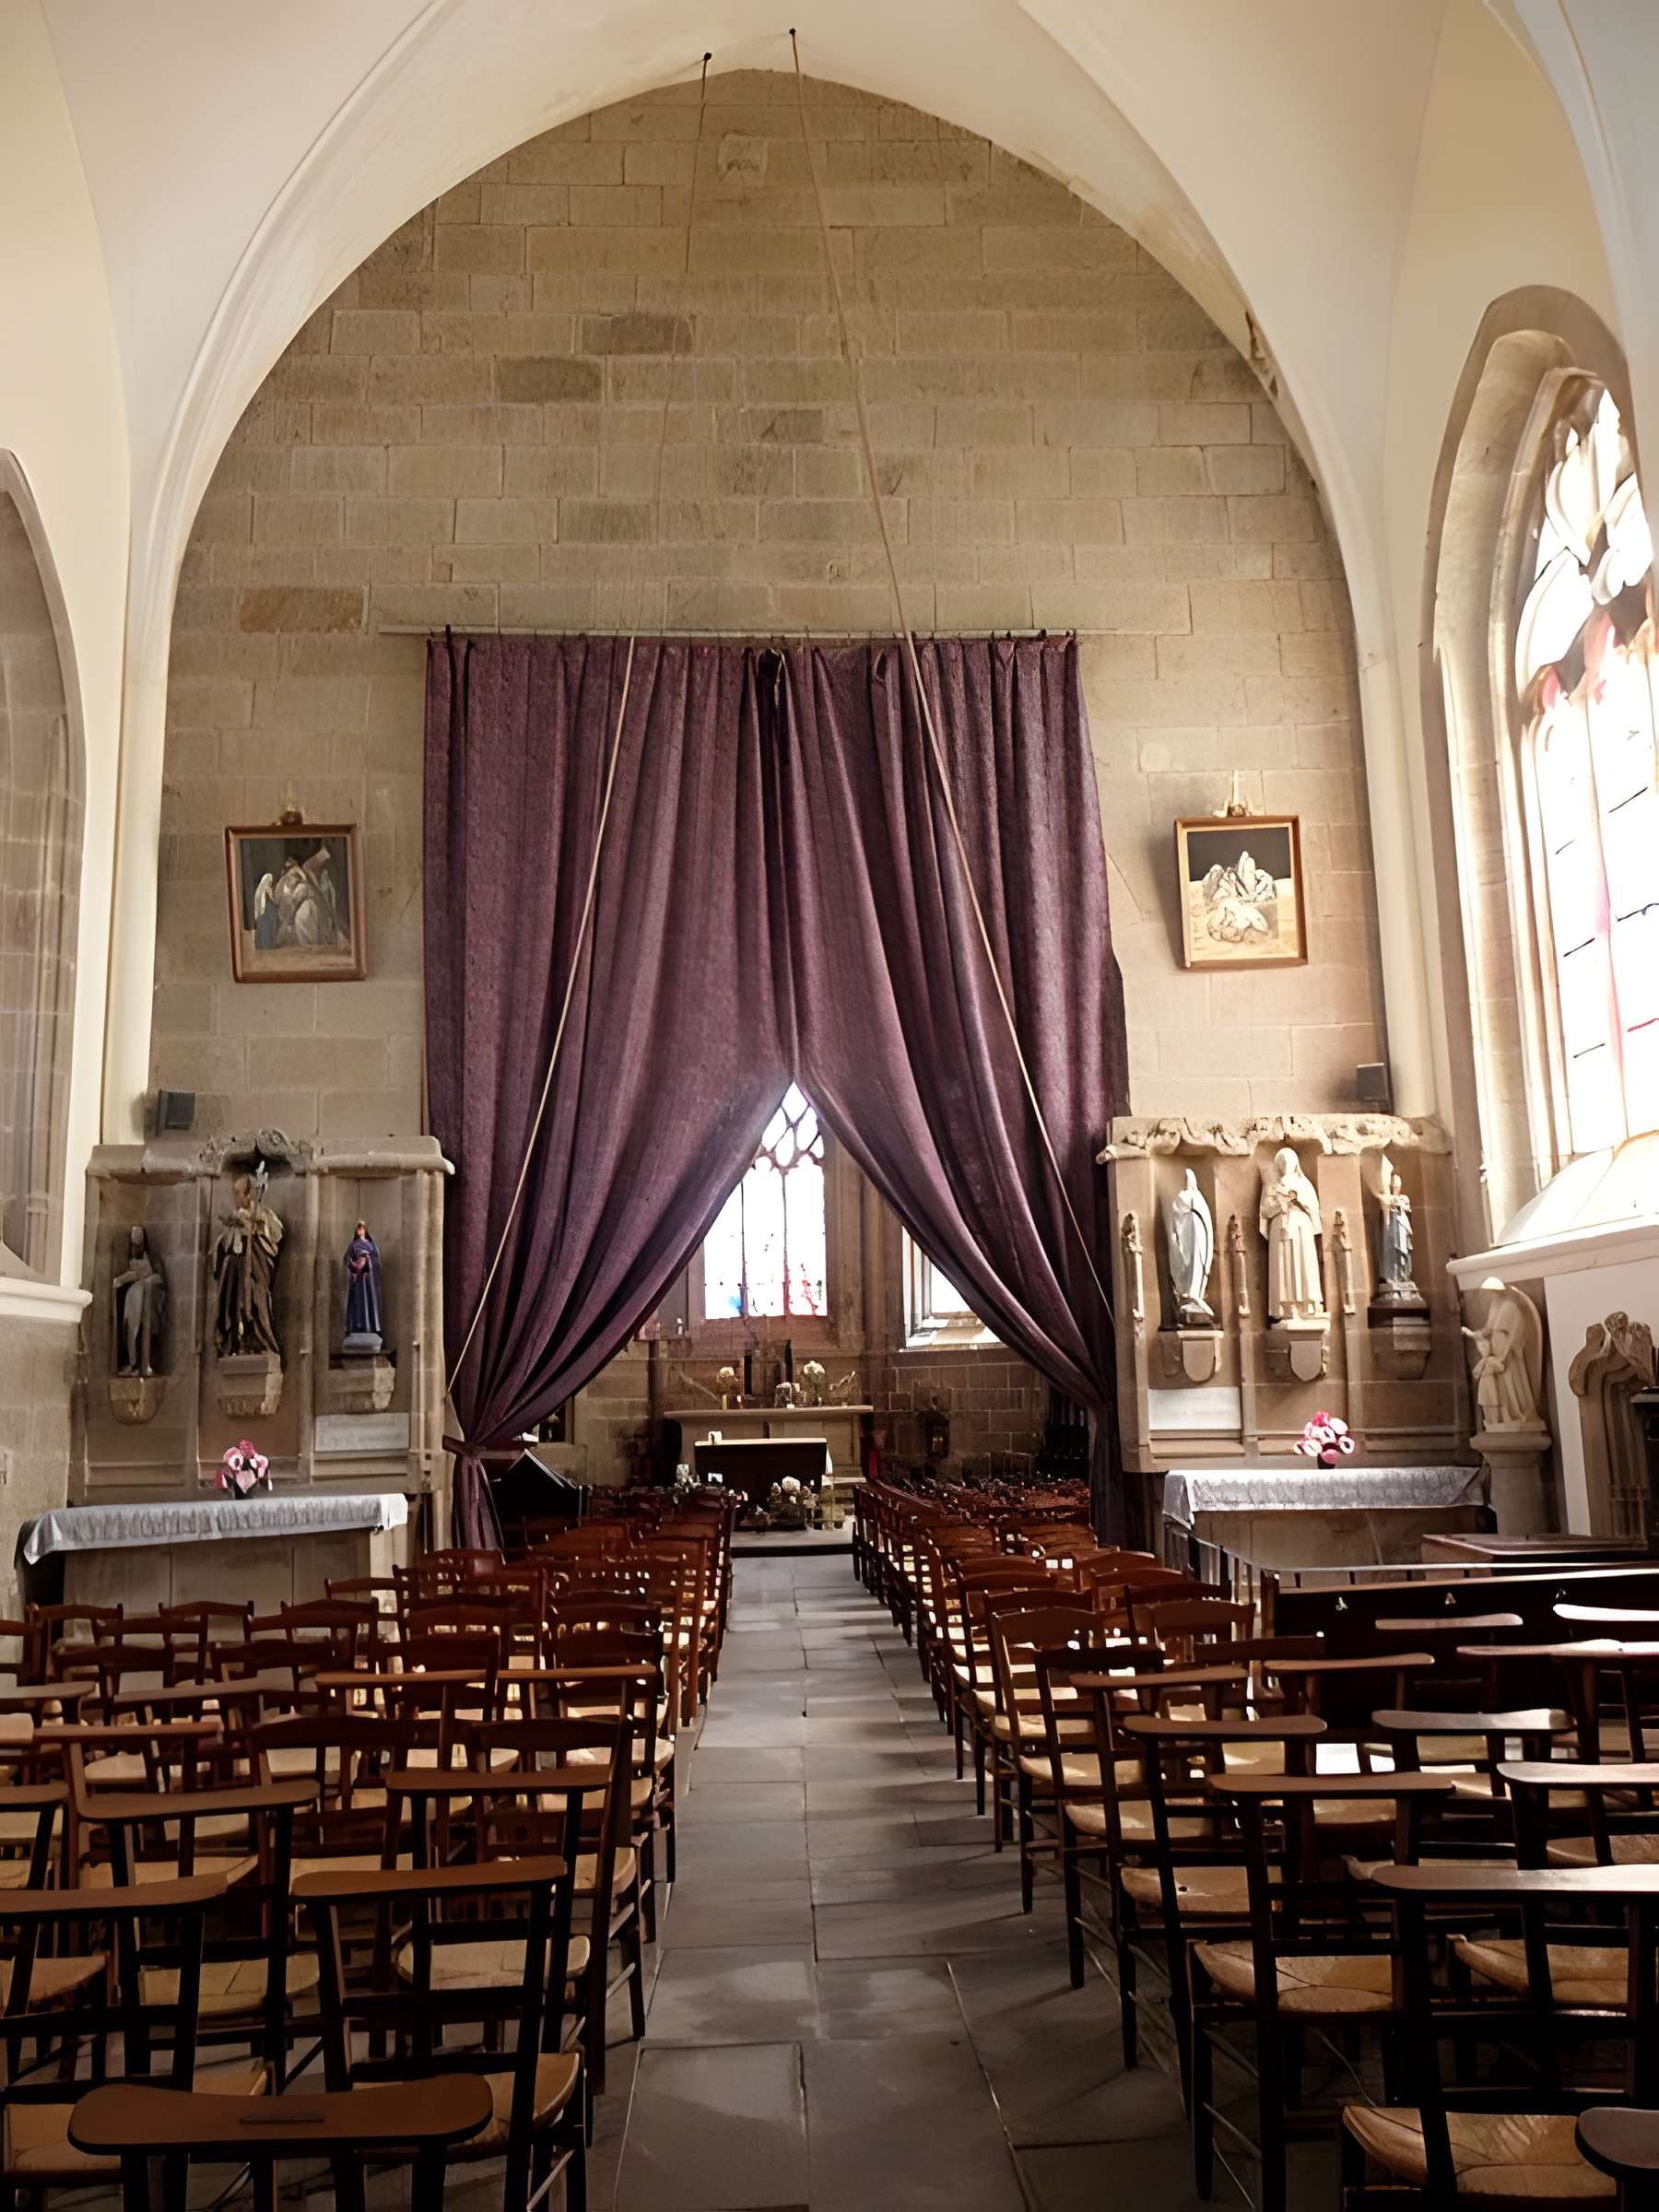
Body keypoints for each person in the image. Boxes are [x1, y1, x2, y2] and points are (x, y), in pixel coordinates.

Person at [1259, 1147, 1324, 1320]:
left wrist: (1297, 1198)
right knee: (1284, 1265)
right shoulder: (1271, 1186)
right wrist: (1280, 1205)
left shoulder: (1304, 1184)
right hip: (1280, 1229)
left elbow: (1313, 1208)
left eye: (1289, 1162)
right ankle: (1287, 1307)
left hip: (1301, 1228)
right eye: (1282, 1162)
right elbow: (1264, 1212)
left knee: (1303, 1263)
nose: (1286, 1165)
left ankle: (1307, 1305)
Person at [112, 1225, 166, 1377]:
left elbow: (143, 1273)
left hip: (144, 1299)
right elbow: (134, 1273)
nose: (135, 1236)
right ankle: (133, 1362)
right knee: (130, 1329)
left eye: (138, 1233)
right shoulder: (133, 1254)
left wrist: (122, 1279)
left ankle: (139, 1364)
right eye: (133, 1233)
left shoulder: (147, 1258)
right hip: (134, 1300)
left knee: (138, 1330)